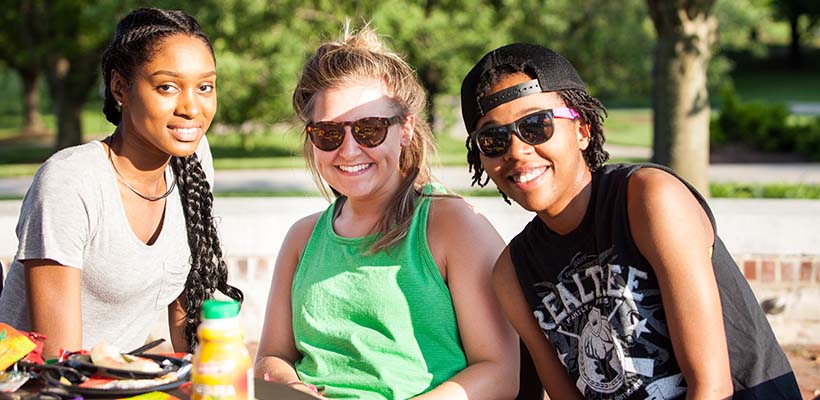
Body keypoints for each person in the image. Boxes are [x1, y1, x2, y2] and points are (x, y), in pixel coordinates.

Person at [460, 43, 801, 399]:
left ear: (582, 129)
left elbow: (711, 387)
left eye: (536, 125)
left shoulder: (649, 199)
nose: (516, 151)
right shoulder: (513, 274)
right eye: (493, 139)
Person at [254, 26, 519, 399]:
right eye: (328, 134)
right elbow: (271, 357)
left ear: (406, 129)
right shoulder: (302, 238)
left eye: (369, 129)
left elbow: (500, 372)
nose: (348, 151)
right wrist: (293, 387)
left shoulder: (452, 225)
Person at [0, 8, 242, 357]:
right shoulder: (71, 182)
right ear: (119, 88)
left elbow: (184, 311)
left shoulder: (192, 160)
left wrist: (209, 378)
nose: (191, 107)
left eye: (205, 87)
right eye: (167, 87)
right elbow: (60, 361)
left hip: (120, 380)